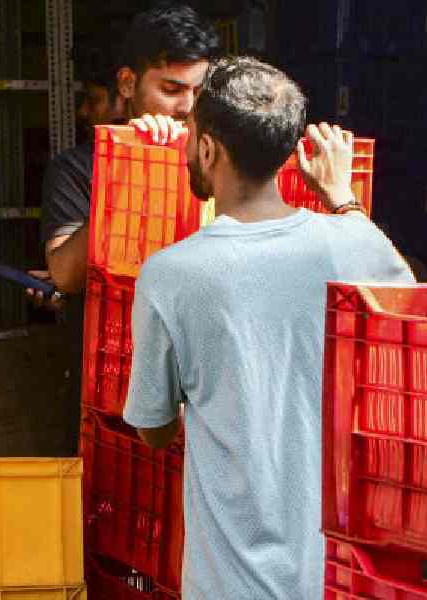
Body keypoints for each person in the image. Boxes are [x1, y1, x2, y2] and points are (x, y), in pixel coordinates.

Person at [123, 56, 414, 599]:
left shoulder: (169, 275)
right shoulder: (354, 243)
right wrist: (343, 197)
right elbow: (404, 305)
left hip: (228, 583)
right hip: (337, 578)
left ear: (209, 148)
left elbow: (153, 428)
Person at [34, 4, 221, 455]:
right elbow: (65, 274)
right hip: (108, 388)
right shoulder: (77, 168)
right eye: (172, 89)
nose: (188, 106)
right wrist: (130, 165)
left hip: (203, 387)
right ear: (127, 84)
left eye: (199, 90)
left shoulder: (219, 163)